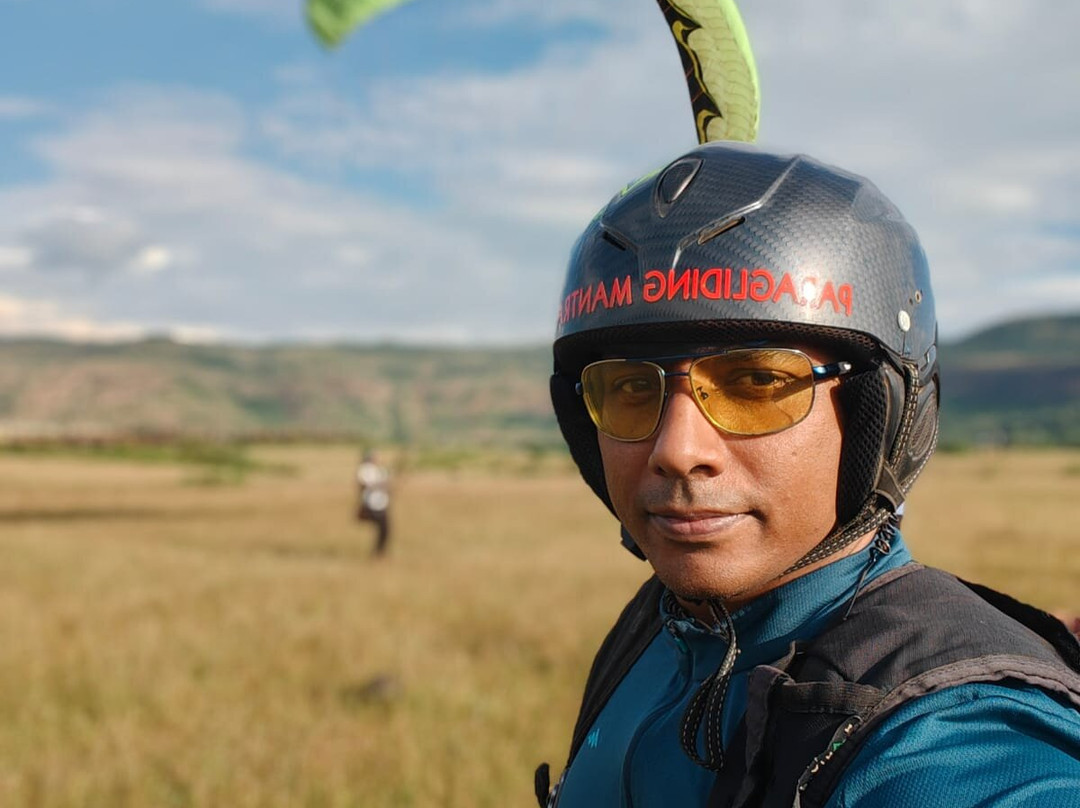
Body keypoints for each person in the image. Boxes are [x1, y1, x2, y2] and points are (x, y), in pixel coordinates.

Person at [535, 142, 1080, 807]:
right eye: (628, 387)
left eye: (759, 382)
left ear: (885, 416)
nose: (676, 450)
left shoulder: (953, 734)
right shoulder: (658, 627)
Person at [356, 449, 391, 557]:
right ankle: (377, 553)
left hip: (381, 504)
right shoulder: (365, 469)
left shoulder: (379, 470)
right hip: (372, 504)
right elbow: (364, 484)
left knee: (384, 530)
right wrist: (379, 485)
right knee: (382, 529)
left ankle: (379, 552)